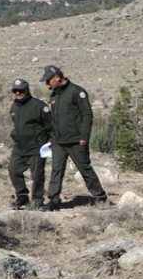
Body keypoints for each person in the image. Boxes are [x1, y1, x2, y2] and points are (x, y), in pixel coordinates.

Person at [41, 65, 107, 210]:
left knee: (84, 168)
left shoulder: (77, 92)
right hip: (58, 141)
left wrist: (84, 136)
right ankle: (54, 200)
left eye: (48, 81)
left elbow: (87, 115)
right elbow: (54, 118)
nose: (47, 84)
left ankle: (100, 197)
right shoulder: (55, 95)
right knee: (56, 170)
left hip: (76, 140)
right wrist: (51, 138)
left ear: (57, 77)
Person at [8, 78, 51, 210]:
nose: (18, 93)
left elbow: (50, 125)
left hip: (36, 147)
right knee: (13, 170)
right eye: (15, 91)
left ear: (27, 90)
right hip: (19, 147)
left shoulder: (39, 106)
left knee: (37, 175)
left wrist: (49, 143)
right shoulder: (14, 106)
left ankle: (37, 200)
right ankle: (22, 197)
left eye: (20, 90)